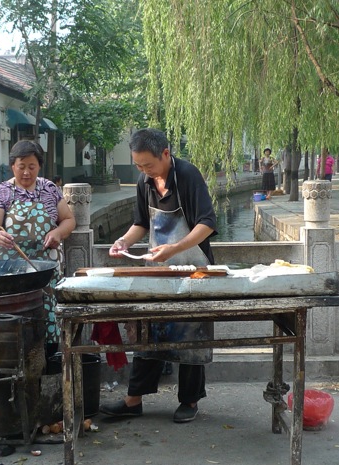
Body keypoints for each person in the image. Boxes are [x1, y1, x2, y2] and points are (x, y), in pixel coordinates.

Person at [104, 128, 217, 424]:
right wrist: (124, 242)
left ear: (165, 154)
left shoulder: (188, 176)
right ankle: (134, 399)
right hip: (159, 269)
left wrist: (176, 248)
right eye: (138, 166)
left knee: (191, 334)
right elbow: (141, 223)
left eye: (148, 165)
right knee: (148, 329)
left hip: (194, 269)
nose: (143, 171)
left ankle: (190, 400)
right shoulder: (145, 181)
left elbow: (207, 223)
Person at [0, 140, 75, 350]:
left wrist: (58, 232)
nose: (26, 173)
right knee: (16, 319)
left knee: (48, 315)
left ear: (39, 166)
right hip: (13, 273)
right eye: (21, 167)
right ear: (12, 165)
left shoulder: (50, 189)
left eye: (31, 167)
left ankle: (50, 360)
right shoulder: (2, 192)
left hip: (46, 272)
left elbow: (69, 220)